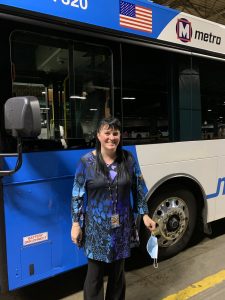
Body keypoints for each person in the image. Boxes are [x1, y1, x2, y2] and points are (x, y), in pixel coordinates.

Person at [71, 117, 156, 300]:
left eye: (115, 133)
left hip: (123, 226)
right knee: (94, 275)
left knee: (118, 273)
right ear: (98, 136)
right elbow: (77, 195)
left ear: (120, 136)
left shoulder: (128, 159)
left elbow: (138, 187)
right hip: (96, 228)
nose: (111, 137)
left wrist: (145, 214)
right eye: (107, 133)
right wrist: (76, 224)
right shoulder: (86, 162)